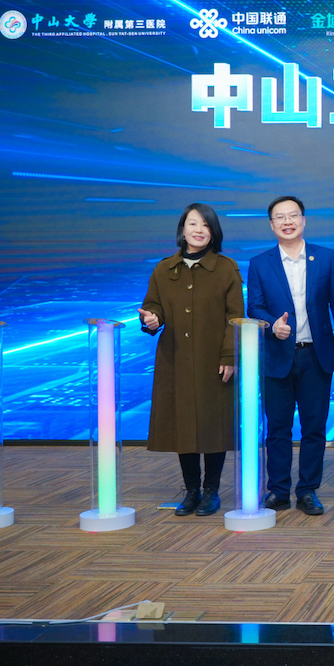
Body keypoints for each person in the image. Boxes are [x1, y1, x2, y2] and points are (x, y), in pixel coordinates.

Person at [247, 195, 334, 516]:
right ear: (272, 225)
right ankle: (278, 490)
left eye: (293, 215)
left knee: (314, 427)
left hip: (316, 356)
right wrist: (271, 325)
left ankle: (308, 490)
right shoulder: (260, 263)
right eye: (280, 217)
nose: (287, 222)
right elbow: (254, 307)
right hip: (277, 356)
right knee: (277, 428)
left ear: (303, 220)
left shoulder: (326, 258)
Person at [138, 203, 244, 517]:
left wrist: (229, 355)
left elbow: (235, 316)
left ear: (214, 232)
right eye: (193, 223)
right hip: (176, 361)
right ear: (183, 229)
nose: (199, 230)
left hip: (214, 361)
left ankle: (212, 491)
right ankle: (192, 490)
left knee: (214, 425)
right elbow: (153, 308)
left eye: (206, 225)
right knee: (183, 425)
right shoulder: (164, 269)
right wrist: (151, 320)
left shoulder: (226, 268)